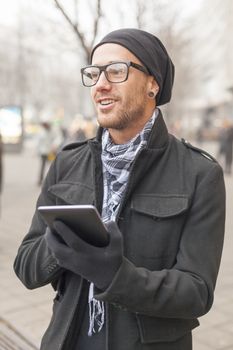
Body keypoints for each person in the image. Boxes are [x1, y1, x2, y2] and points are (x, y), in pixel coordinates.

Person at [14, 28, 226, 350]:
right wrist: (59, 245)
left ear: (152, 83)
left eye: (116, 70)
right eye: (94, 73)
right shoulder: (68, 163)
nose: (100, 84)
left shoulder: (200, 174)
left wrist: (117, 276)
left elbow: (196, 292)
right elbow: (27, 267)